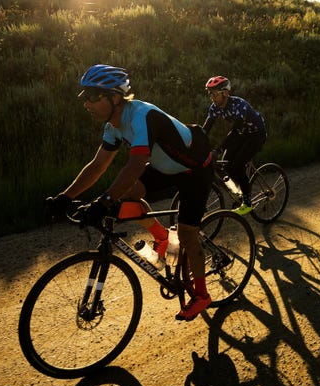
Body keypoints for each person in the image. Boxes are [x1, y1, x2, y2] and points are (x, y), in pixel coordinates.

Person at [46, 64, 216, 321]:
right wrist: (65, 197)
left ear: (115, 97)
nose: (86, 104)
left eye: (93, 96)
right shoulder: (112, 126)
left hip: (195, 169)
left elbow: (136, 164)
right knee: (125, 196)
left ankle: (202, 296)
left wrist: (103, 201)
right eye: (84, 97)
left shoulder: (141, 116)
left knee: (187, 233)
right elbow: (98, 166)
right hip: (166, 167)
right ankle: (161, 238)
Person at [201, 75, 267, 215]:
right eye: (209, 94)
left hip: (256, 134)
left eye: (214, 94)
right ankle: (242, 190)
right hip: (243, 134)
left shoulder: (239, 104)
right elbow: (205, 129)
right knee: (225, 165)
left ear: (225, 93)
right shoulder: (215, 107)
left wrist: (217, 150)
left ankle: (247, 202)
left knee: (237, 165)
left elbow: (235, 131)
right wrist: (193, 143)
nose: (211, 97)